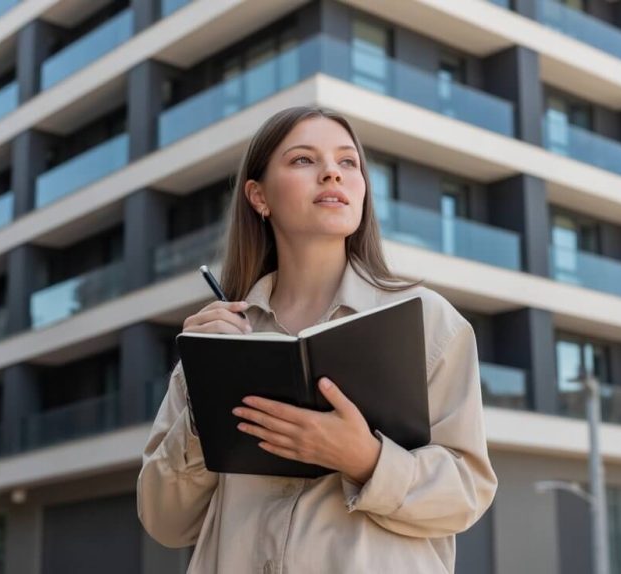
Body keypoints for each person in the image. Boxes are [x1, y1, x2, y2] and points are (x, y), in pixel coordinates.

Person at [137, 106, 497, 573]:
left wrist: (366, 460)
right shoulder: (218, 340)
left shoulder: (426, 321)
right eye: (304, 160)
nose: (332, 172)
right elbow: (164, 522)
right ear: (258, 196)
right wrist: (204, 406)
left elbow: (467, 495)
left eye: (348, 163)